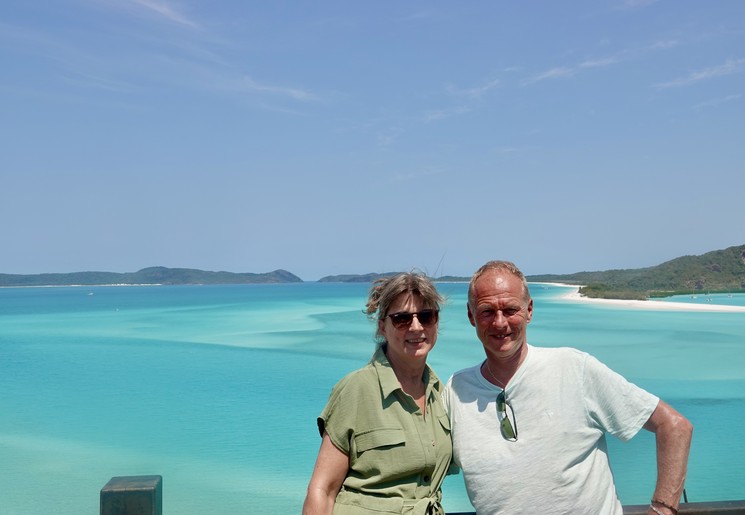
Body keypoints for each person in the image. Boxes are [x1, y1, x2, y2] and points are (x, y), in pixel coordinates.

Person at [444, 260, 693, 515]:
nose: (500, 322)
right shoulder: (456, 391)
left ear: (529, 311)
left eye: (510, 309)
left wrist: (662, 509)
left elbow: (674, 426)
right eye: (487, 311)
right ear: (470, 316)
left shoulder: (573, 368)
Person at [303, 272, 452, 515]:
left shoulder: (440, 393)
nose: (416, 327)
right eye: (402, 319)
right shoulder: (356, 389)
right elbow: (323, 489)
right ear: (382, 326)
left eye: (426, 316)